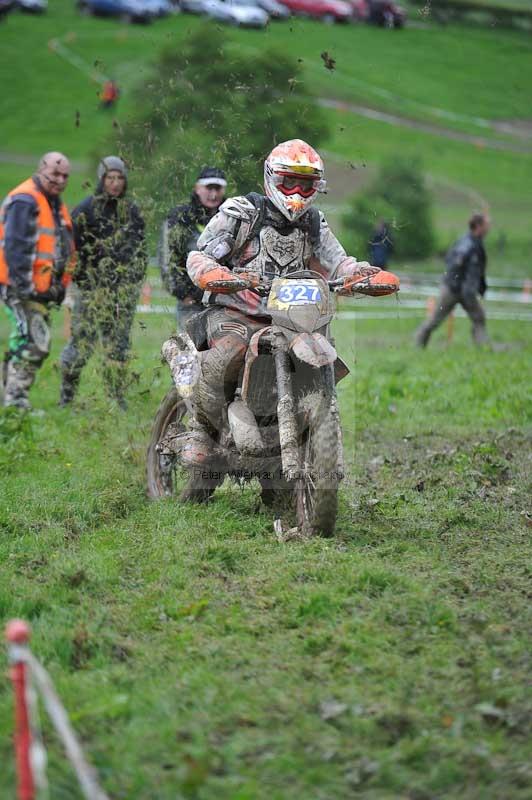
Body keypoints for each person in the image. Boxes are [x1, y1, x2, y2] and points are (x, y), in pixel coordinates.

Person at [180, 139, 380, 502]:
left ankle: (292, 451)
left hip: (292, 319)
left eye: (306, 185)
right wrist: (210, 270)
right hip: (236, 312)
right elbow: (201, 252)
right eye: (289, 183)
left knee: (324, 362)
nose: (297, 193)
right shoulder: (241, 212)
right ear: (272, 178)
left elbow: (339, 261)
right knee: (228, 355)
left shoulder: (313, 222)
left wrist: (360, 274)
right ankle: (201, 428)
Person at [59, 156, 147, 409]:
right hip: (89, 291)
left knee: (118, 347)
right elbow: (70, 249)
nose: (115, 183)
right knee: (81, 345)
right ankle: (66, 398)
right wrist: (84, 280)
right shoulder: (85, 209)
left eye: (120, 178)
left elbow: (141, 251)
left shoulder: (131, 212)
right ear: (101, 179)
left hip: (121, 293)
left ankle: (116, 398)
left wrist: (132, 282)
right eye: (110, 178)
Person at [0, 152, 75, 410]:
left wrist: (58, 287)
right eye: (55, 173)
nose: (60, 179)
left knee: (23, 340)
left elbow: (59, 248)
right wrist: (24, 287)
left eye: (65, 175)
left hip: (39, 290)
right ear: (40, 169)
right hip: (20, 287)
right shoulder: (25, 199)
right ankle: (16, 402)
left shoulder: (53, 203)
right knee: (36, 342)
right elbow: (15, 248)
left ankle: (6, 396)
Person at [159, 167, 227, 329]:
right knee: (191, 348)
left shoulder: (231, 215)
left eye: (217, 189)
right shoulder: (180, 217)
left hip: (225, 299)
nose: (213, 194)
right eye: (209, 188)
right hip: (191, 300)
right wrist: (182, 293)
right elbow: (167, 258)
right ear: (197, 188)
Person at [415, 212, 490, 348]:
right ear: (479, 226)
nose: (489, 228)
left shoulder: (475, 243)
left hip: (467, 291)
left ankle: (483, 347)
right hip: (453, 290)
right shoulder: (466, 244)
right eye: (487, 224)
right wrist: (456, 285)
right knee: (435, 320)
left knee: (479, 318)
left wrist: (480, 287)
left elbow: (476, 272)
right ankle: (419, 344)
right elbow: (454, 264)